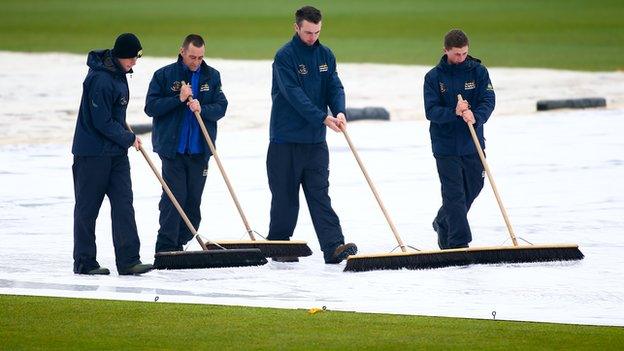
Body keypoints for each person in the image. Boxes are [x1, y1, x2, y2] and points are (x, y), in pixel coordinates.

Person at [267, 6, 358, 264]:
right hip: (285, 141)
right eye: (308, 32)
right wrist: (321, 117)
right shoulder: (284, 57)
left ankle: (333, 247)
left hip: (316, 142)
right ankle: (280, 247)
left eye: (317, 32)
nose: (312, 37)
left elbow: (334, 86)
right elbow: (293, 94)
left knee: (320, 194)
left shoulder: (326, 55)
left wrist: (338, 111)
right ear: (296, 28)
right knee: (285, 198)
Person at [71, 33, 153, 275]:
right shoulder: (100, 80)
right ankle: (85, 262)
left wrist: (123, 135)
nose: (134, 63)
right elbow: (101, 122)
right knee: (88, 209)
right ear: (120, 56)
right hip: (92, 154)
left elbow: (115, 115)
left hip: (116, 154)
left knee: (123, 205)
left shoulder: (119, 75)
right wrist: (129, 138)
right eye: (132, 58)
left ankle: (129, 261)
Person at [145, 34, 228, 253]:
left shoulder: (212, 76)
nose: (196, 62)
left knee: (193, 201)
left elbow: (221, 107)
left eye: (200, 57)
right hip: (173, 150)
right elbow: (151, 107)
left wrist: (203, 109)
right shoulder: (164, 75)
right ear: (182, 51)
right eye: (192, 57)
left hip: (200, 151)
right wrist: (178, 99)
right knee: (174, 198)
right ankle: (165, 246)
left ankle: (180, 242)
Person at [423, 29, 496, 249]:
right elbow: (431, 111)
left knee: (474, 186)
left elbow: (488, 99)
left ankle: (443, 221)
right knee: (454, 194)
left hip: (472, 143)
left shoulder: (479, 72)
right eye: (457, 54)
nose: (461, 58)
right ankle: (458, 243)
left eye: (464, 53)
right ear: (446, 50)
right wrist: (453, 112)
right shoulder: (433, 77)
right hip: (445, 145)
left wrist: (476, 115)